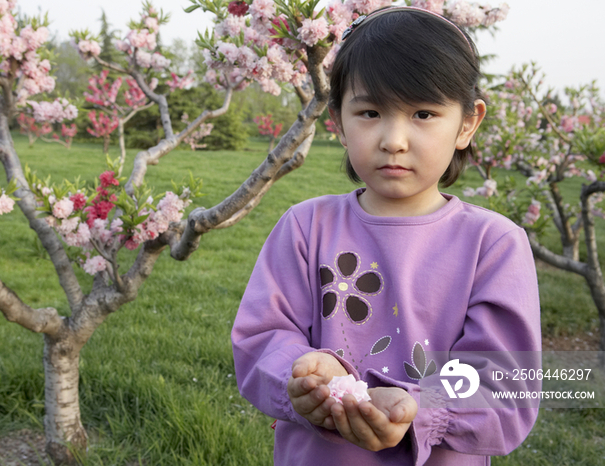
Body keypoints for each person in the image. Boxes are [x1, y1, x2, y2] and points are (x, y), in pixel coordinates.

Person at [232, 6, 541, 466]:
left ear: (467, 123)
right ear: (338, 119)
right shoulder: (305, 227)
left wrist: (422, 408)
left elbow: (503, 385)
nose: (393, 139)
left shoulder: (492, 245)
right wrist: (300, 375)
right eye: (371, 111)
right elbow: (262, 338)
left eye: (423, 113)